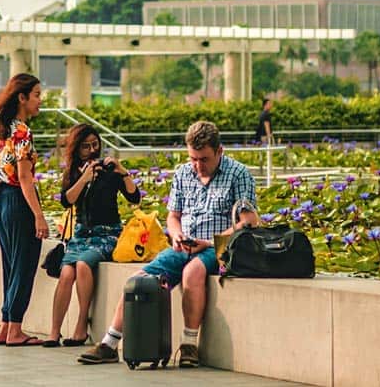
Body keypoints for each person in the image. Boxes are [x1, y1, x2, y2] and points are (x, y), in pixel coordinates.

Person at [78, 121, 258, 368]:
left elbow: (248, 220)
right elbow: (173, 216)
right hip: (184, 244)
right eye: (193, 159)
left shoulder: (239, 173)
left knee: (192, 272)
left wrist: (206, 243)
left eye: (204, 159)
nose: (198, 166)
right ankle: (109, 344)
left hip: (218, 246)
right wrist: (176, 236)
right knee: (138, 281)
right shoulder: (184, 172)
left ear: (219, 151)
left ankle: (189, 346)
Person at [45, 124, 140, 348]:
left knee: (84, 264)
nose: (92, 150)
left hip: (106, 233)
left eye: (95, 145)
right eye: (86, 146)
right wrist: (85, 178)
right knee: (66, 273)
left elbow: (134, 197)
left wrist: (122, 171)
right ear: (77, 149)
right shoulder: (74, 172)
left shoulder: (109, 171)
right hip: (81, 234)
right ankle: (54, 331)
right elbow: (66, 200)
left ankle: (81, 327)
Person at [0, 73, 49, 347]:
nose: (40, 101)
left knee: (10, 266)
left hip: (2, 203)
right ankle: (15, 330)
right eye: (36, 95)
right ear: (22, 97)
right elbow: (25, 178)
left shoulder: (1, 131)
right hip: (19, 202)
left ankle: (5, 326)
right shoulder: (22, 132)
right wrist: (39, 215)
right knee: (24, 267)